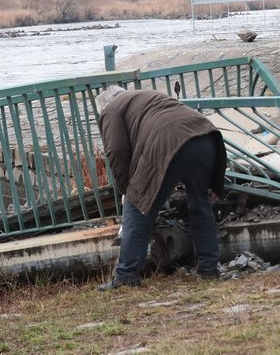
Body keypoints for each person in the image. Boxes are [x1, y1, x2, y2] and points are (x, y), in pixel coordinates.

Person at [95, 86, 227, 290]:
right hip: (206, 136)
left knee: (136, 206)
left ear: (104, 105)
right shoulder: (146, 96)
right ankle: (209, 270)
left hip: (167, 142)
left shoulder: (111, 110)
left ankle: (126, 276)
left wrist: (125, 190)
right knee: (200, 205)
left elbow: (117, 150)